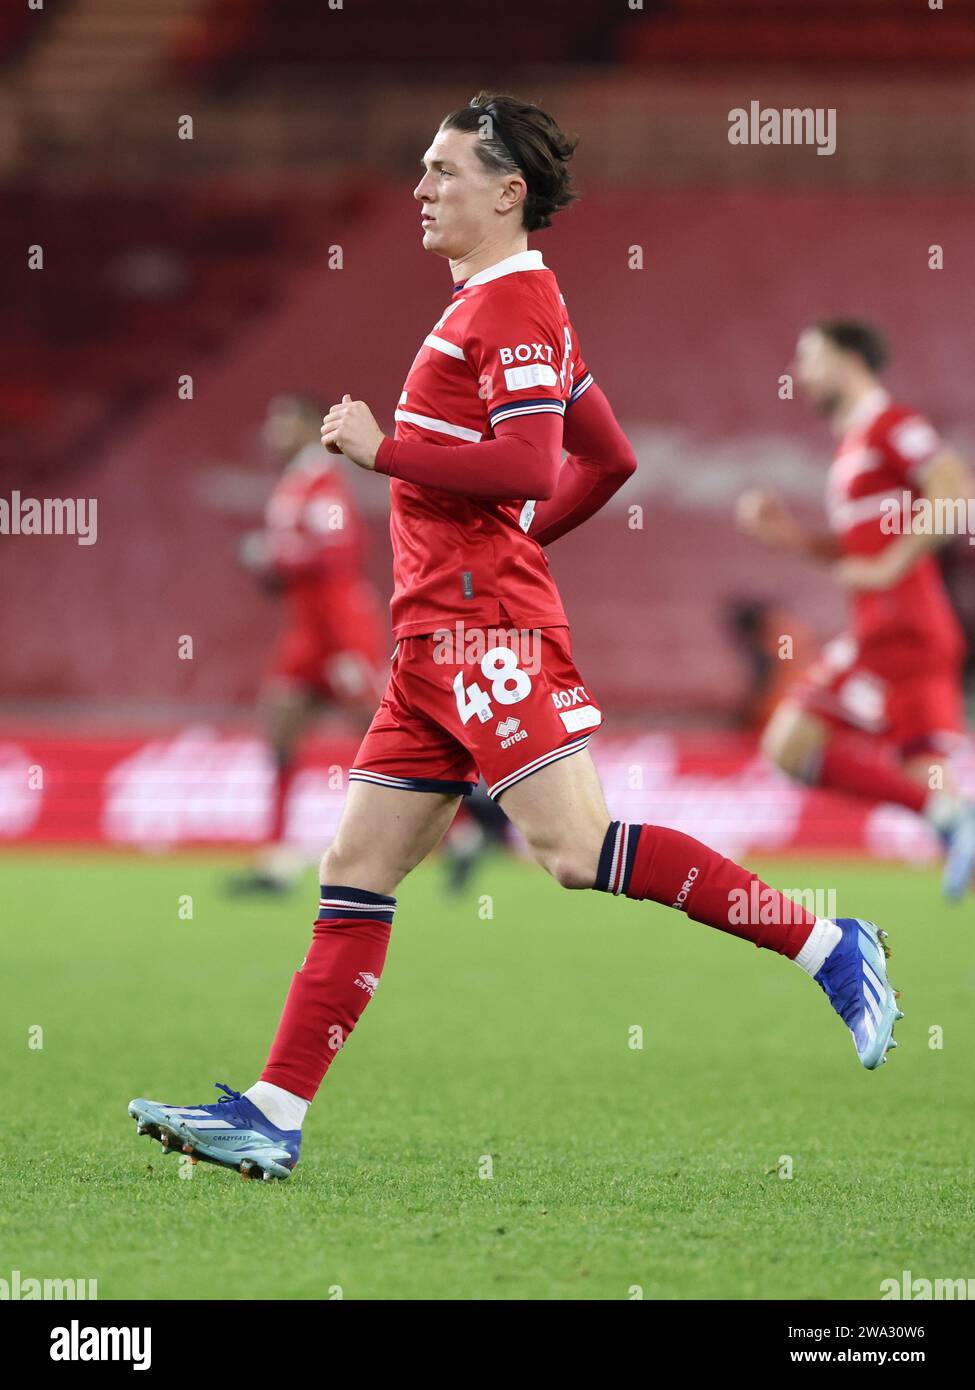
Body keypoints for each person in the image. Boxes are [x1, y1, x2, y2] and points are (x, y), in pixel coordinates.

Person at [130, 96, 902, 1182]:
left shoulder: (512, 310)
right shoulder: (504, 308)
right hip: (429, 639)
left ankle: (830, 945)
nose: (421, 190)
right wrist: (510, 537)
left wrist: (389, 455)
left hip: (482, 633)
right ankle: (273, 1111)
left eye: (444, 171)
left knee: (574, 851)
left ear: (508, 194)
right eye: (422, 169)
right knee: (356, 866)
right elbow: (609, 457)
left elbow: (537, 465)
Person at [737, 321, 975, 899]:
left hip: (897, 631)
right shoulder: (852, 450)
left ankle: (949, 820)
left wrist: (893, 566)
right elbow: (857, 556)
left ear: (849, 359)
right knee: (932, 784)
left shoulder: (890, 426)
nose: (801, 373)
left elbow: (956, 493)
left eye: (810, 357)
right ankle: (952, 820)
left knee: (789, 743)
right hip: (907, 631)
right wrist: (792, 538)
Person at [228, 394, 385, 894]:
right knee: (279, 728)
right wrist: (275, 566)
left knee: (385, 736)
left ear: (310, 428)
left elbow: (339, 552)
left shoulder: (322, 483)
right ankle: (277, 861)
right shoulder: (295, 484)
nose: (273, 434)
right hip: (307, 633)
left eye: (284, 424)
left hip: (340, 629)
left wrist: (277, 556)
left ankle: (471, 822)